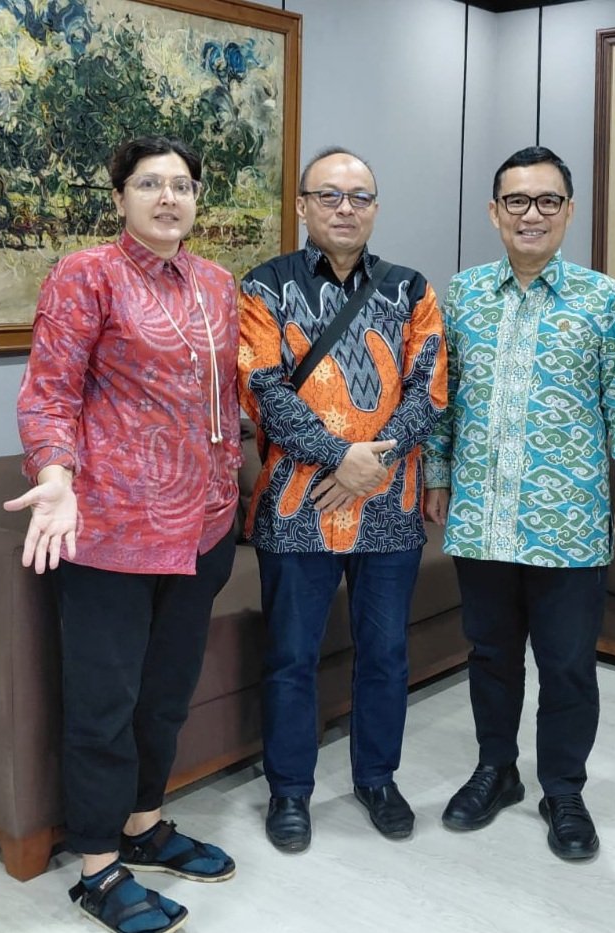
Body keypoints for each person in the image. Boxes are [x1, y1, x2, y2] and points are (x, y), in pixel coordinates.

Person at [6, 135, 241, 933]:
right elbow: (49, 391)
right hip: (112, 528)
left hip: (204, 526)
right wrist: (56, 474)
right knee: (104, 704)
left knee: (165, 693)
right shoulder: (86, 275)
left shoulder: (217, 284)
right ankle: (98, 865)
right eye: (150, 184)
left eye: (182, 184)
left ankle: (143, 824)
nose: (169, 197)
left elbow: (227, 396)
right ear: (120, 198)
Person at [423, 145, 615, 862]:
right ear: (494, 212)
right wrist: (436, 472)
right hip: (482, 516)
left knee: (567, 665)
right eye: (517, 201)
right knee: (490, 655)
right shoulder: (462, 294)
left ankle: (563, 789)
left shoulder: (600, 297)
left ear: (569, 211)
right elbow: (443, 398)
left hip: (569, 520)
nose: (532, 214)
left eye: (547, 201)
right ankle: (496, 770)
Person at [238, 146, 447, 854]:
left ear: (375, 209)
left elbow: (430, 388)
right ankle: (289, 790)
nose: (344, 208)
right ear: (303, 206)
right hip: (296, 507)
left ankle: (377, 779)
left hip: (389, 506)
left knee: (385, 654)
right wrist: (339, 458)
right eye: (328, 195)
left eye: (359, 196)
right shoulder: (265, 286)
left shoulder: (410, 288)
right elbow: (261, 388)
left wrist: (371, 464)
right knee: (290, 657)